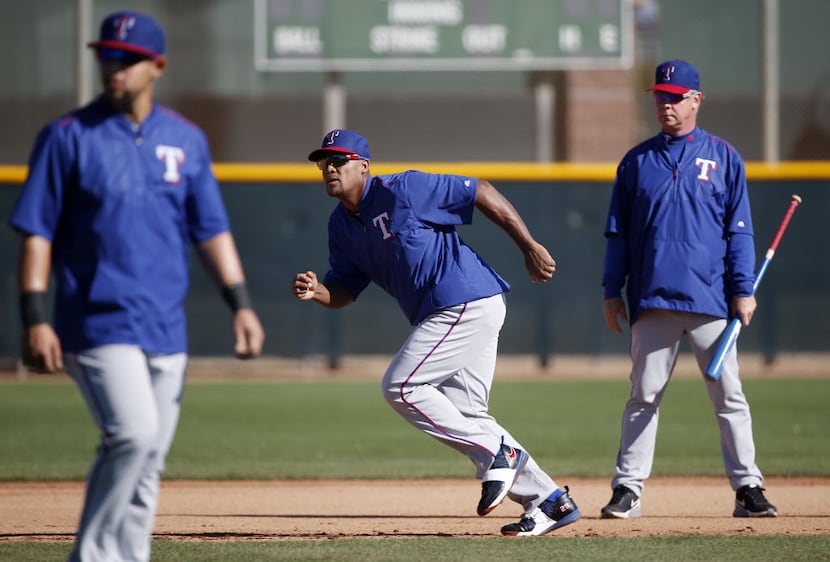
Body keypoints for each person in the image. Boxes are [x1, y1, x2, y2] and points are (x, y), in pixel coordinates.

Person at [9, 11, 265, 561]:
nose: (114, 66)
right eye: (107, 55)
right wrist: (35, 316)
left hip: (165, 325)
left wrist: (240, 306)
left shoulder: (186, 140)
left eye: (127, 58)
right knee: (133, 435)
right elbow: (36, 234)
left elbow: (211, 231)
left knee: (148, 460)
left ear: (157, 66)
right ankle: (94, 555)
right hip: (97, 321)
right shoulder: (65, 137)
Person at [291, 129, 581, 537]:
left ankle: (500, 453)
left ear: (364, 166)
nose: (329, 169)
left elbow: (480, 190)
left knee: (401, 386)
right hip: (448, 313)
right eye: (324, 163)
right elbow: (345, 289)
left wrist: (528, 245)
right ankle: (551, 501)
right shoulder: (341, 226)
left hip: (465, 301)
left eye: (339, 161)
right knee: (468, 415)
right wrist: (317, 290)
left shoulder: (403, 189)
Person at [600, 59, 777, 519]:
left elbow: (739, 232)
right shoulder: (636, 161)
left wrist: (743, 289)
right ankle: (628, 490)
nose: (666, 104)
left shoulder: (723, 157)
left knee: (729, 395)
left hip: (710, 299)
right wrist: (609, 289)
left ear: (696, 100)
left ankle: (748, 488)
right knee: (643, 396)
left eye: (676, 96)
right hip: (653, 299)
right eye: (661, 95)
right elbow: (617, 233)